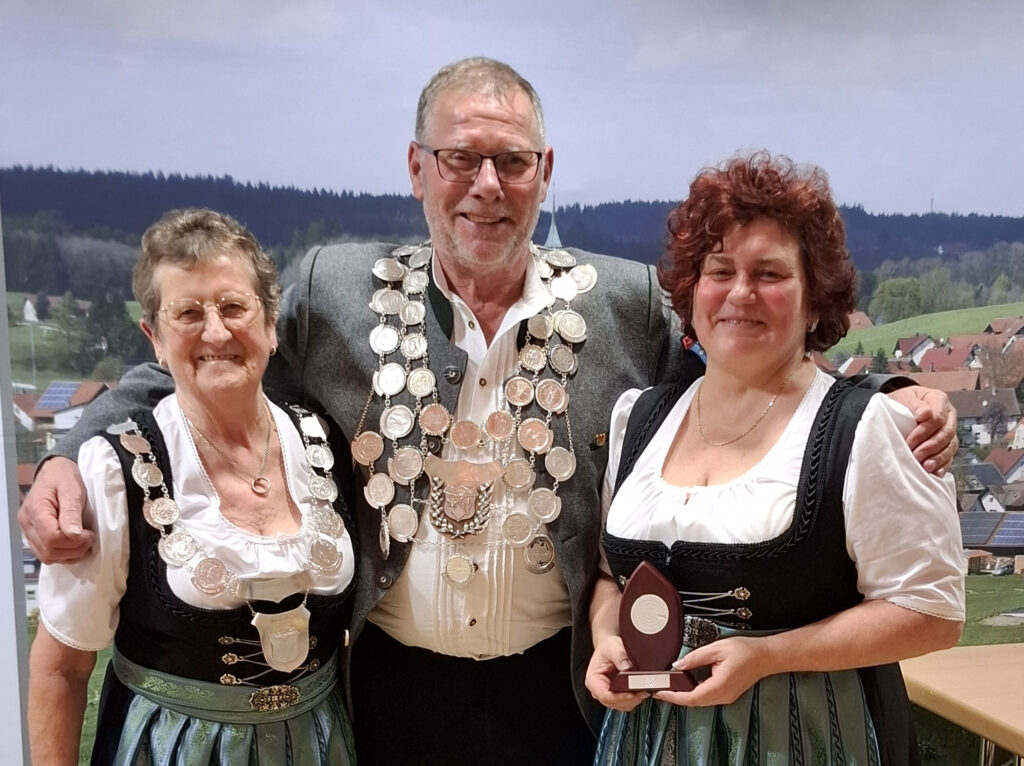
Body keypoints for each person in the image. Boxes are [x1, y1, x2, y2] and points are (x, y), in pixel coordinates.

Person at [20, 60, 957, 765]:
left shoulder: (624, 301)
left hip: (564, 686)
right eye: (460, 159)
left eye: (511, 161)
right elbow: (210, 356)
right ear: (417, 167)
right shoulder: (335, 288)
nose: (486, 186)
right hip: (388, 685)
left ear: (545, 171)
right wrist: (73, 448)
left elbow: (752, 364)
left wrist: (885, 394)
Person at [584, 153, 965, 766]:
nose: (741, 292)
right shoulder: (641, 419)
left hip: (805, 736)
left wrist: (768, 656)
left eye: (769, 273)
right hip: (644, 742)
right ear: (691, 293)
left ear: (815, 301)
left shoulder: (867, 427)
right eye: (720, 270)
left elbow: (932, 613)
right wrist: (607, 638)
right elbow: (612, 577)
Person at [28, 209, 357, 765]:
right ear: (154, 338)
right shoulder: (115, 470)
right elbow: (61, 669)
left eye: (234, 307)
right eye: (187, 313)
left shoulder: (325, 443)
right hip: (170, 749)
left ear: (270, 324)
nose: (216, 332)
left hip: (321, 746)